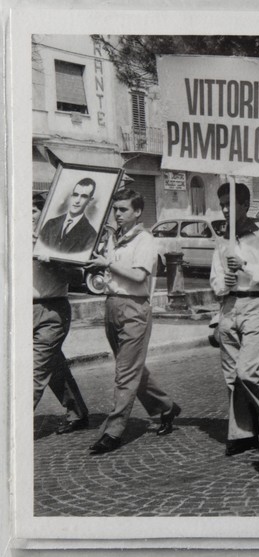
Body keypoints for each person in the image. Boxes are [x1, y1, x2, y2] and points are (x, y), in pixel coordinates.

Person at [85, 189, 180, 454]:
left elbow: (139, 277)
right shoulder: (114, 239)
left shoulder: (145, 239)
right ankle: (166, 407)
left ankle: (112, 432)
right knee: (133, 368)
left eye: (123, 209)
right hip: (112, 305)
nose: (117, 214)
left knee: (125, 372)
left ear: (137, 212)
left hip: (134, 308)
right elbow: (110, 269)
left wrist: (108, 264)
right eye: (115, 209)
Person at [209, 182, 259, 457]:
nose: (226, 209)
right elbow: (215, 279)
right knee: (231, 377)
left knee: (246, 371)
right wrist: (224, 283)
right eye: (222, 205)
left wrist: (245, 267)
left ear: (245, 205)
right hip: (229, 306)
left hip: (256, 305)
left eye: (231, 204)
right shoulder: (222, 241)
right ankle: (243, 433)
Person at [32, 193, 89, 434]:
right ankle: (77, 412)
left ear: (44, 213)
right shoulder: (11, 236)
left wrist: (54, 262)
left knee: (33, 372)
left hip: (52, 310)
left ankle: (10, 427)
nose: (27, 216)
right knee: (53, 365)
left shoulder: (58, 241)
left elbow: (78, 277)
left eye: (33, 211)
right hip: (22, 310)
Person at [38, 177, 99, 254]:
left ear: (90, 201)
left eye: (83, 196)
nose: (77, 201)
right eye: (75, 195)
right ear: (71, 196)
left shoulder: (91, 235)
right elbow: (39, 249)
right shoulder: (50, 224)